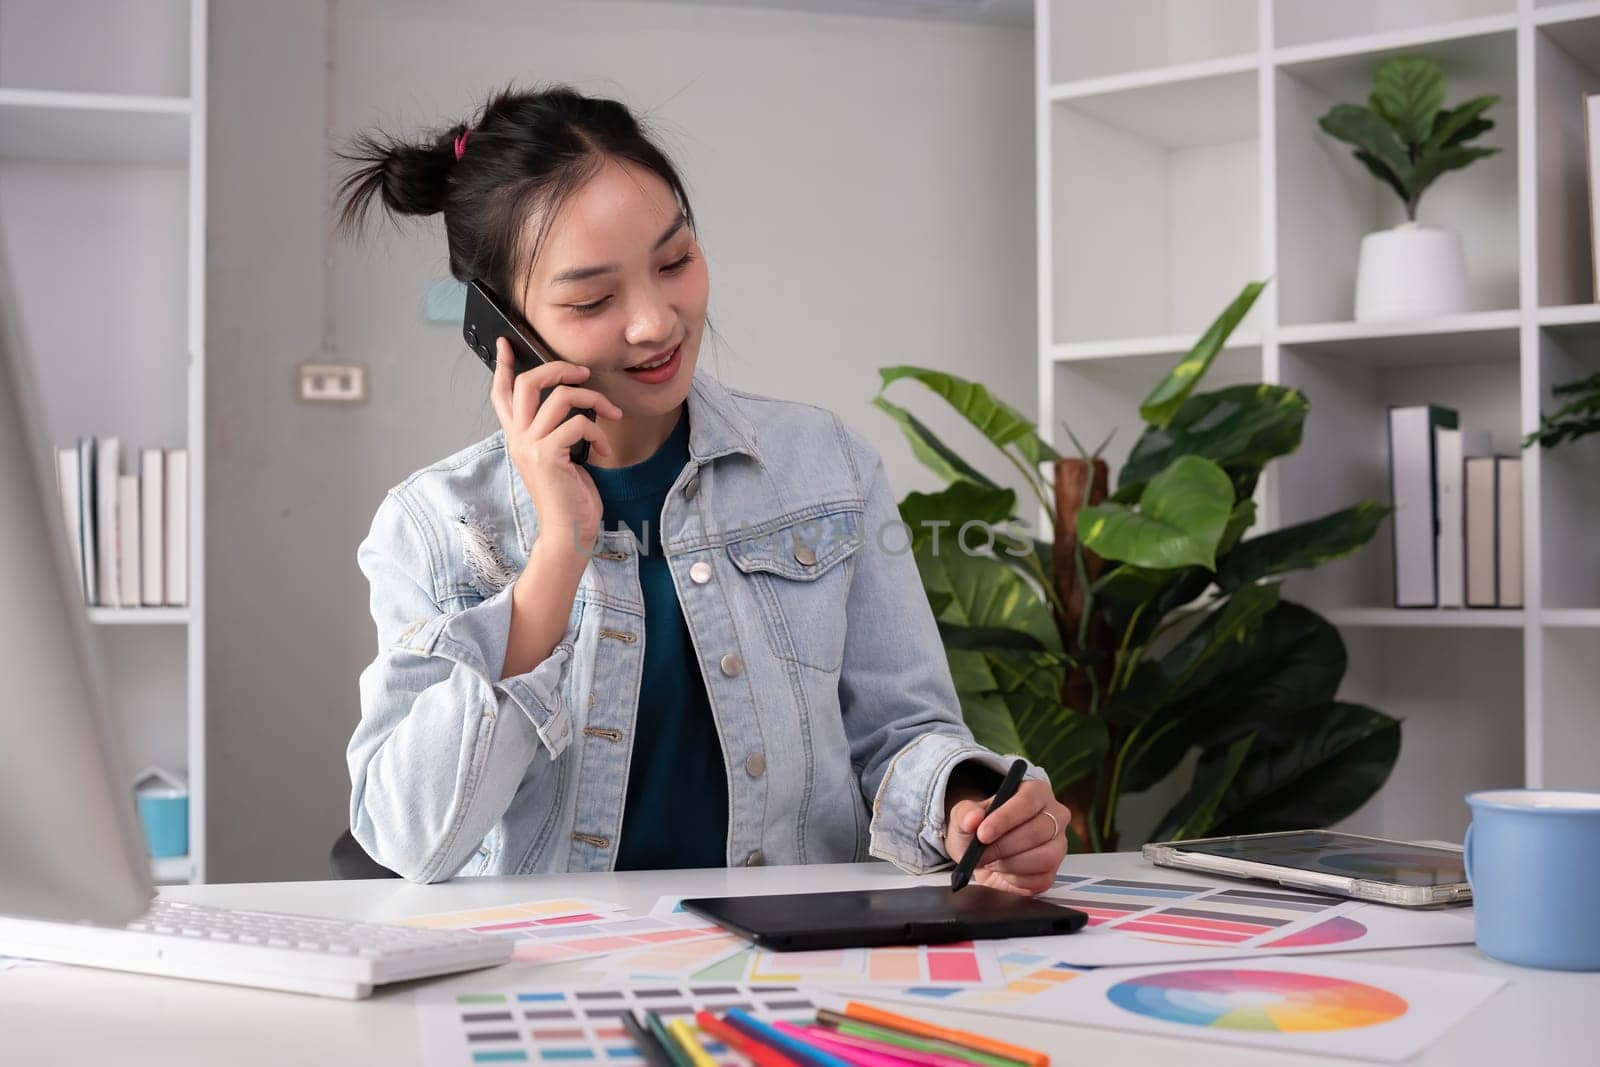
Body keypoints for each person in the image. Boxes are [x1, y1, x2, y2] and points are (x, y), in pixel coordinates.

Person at [334, 83, 1069, 891]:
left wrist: (967, 805)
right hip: (545, 973)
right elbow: (412, 838)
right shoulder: (433, 524)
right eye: (592, 298)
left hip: (782, 963)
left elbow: (901, 732)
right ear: (500, 326)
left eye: (674, 260)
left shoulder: (825, 466)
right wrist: (555, 559)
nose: (656, 321)